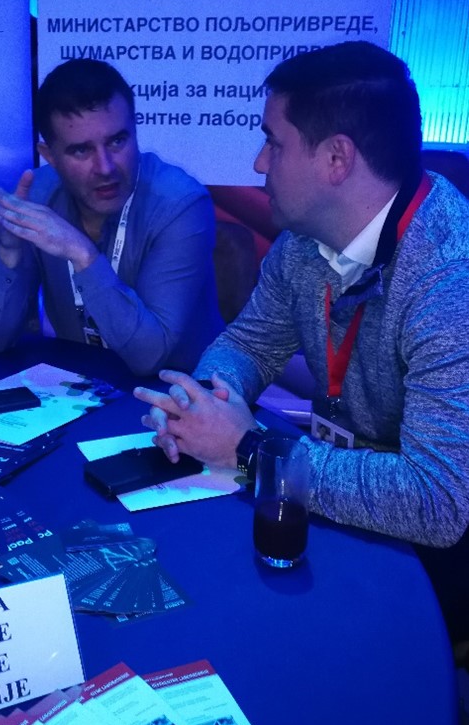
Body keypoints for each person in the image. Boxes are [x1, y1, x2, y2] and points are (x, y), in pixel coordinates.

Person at [134, 42, 469, 558]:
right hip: (339, 497)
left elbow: (438, 501)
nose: (259, 162)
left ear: (336, 159)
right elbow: (249, 345)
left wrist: (252, 449)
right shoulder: (302, 242)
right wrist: (200, 408)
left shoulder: (451, 280)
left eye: (273, 143)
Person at [0, 58, 223, 376]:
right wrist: (9, 251)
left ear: (135, 132)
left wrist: (83, 255)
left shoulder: (181, 204)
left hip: (179, 392)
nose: (105, 167)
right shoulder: (37, 196)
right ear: (50, 157)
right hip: (78, 388)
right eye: (81, 150)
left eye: (117, 141)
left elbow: (149, 357)